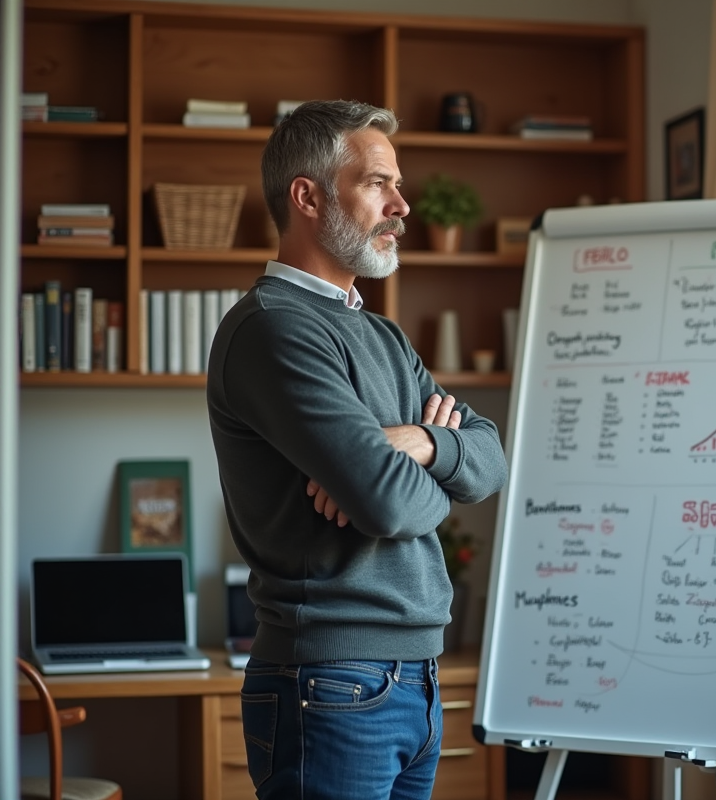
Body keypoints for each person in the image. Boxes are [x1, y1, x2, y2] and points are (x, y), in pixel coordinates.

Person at [207, 99, 508, 800]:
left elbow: (491, 457)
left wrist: (419, 443)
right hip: (332, 683)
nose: (401, 204)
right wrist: (404, 469)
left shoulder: (384, 337)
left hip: (413, 679)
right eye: (377, 183)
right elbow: (385, 502)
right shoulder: (275, 330)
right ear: (307, 197)